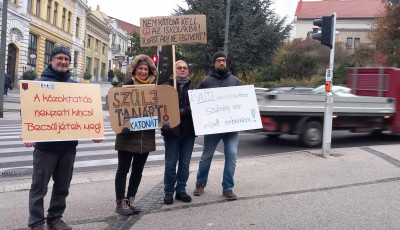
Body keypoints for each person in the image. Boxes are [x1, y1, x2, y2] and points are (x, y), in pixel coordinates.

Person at [24, 45, 103, 230]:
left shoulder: (77, 88)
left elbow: (86, 114)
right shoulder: (37, 84)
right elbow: (28, 113)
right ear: (51, 60)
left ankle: (55, 218)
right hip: (45, 149)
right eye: (59, 58)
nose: (63, 61)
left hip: (68, 147)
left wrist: (95, 131)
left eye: (66, 59)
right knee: (39, 187)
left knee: (62, 186)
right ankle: (36, 222)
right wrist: (28, 134)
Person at [114, 54, 158, 215]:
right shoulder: (124, 86)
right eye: (140, 68)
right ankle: (120, 202)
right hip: (127, 136)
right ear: (134, 70)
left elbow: (159, 110)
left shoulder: (155, 89)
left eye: (146, 69)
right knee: (123, 170)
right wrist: (121, 126)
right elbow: (116, 111)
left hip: (145, 137)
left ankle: (131, 198)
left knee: (138, 171)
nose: (143, 71)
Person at [193, 51, 240, 200]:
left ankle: (228, 188)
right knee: (206, 156)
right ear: (214, 63)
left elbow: (241, 102)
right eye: (218, 60)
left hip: (231, 127)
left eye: (224, 60)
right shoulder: (206, 81)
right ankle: (200, 183)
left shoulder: (235, 81)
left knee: (231, 155)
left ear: (226, 63)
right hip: (213, 127)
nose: (221, 63)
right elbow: (196, 101)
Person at [161, 60, 196, 205]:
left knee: (185, 163)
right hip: (171, 132)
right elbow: (160, 109)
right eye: (179, 68)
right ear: (174, 70)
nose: (182, 70)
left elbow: (196, 108)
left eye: (185, 68)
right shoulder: (165, 88)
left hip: (188, 132)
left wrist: (181, 111)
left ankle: (181, 190)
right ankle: (168, 191)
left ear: (188, 71)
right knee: (170, 164)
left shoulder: (194, 89)